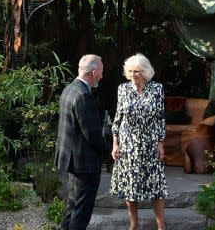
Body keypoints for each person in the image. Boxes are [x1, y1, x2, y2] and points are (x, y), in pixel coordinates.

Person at [110, 53, 168, 230]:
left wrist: (160, 143)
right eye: (130, 71)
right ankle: (134, 225)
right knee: (130, 186)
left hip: (150, 143)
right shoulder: (123, 89)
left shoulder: (157, 89)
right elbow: (118, 117)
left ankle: (161, 226)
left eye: (137, 71)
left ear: (145, 72)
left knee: (156, 186)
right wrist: (115, 143)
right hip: (129, 144)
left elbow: (160, 117)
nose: (133, 75)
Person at [56, 54, 106, 230]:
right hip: (84, 163)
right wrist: (108, 153)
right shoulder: (84, 95)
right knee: (81, 212)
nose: (101, 76)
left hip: (73, 160)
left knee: (72, 205)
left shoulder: (69, 89)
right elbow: (92, 134)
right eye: (100, 72)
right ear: (93, 72)